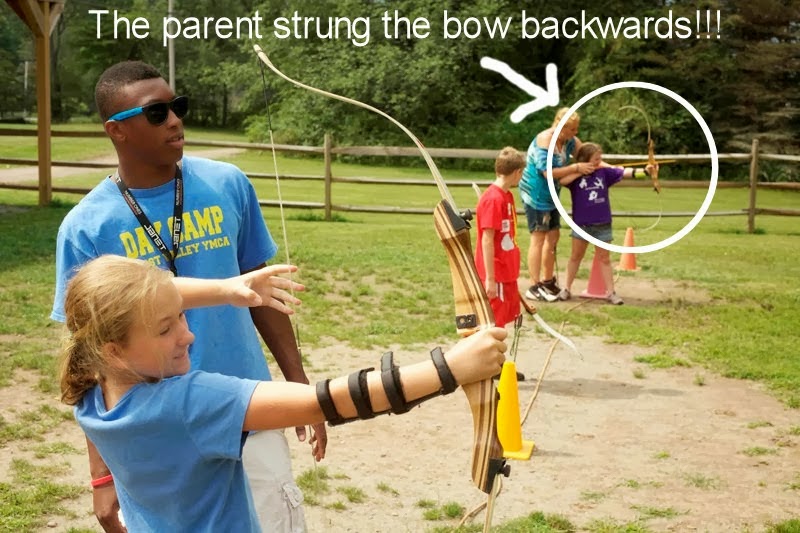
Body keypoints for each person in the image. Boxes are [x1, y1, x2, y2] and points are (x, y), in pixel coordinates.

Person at [51, 60, 325, 532]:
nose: (175, 120)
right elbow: (90, 358)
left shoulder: (227, 184)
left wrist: (299, 387)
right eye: (156, 113)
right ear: (116, 131)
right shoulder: (86, 227)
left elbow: (261, 294)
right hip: (153, 427)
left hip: (248, 409)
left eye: (177, 107)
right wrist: (101, 475)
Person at [60, 255, 508, 532]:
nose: (187, 336)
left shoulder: (92, 392)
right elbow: (325, 401)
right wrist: (451, 367)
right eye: (166, 328)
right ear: (114, 349)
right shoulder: (188, 402)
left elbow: (139, 301)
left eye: (182, 315)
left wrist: (226, 290)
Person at [556, 142, 658, 305]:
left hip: (602, 223)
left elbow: (625, 173)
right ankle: (566, 289)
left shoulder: (604, 173)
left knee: (604, 258)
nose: (599, 162)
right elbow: (562, 180)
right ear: (585, 160)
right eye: (596, 159)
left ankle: (611, 293)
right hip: (581, 224)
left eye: (600, 159)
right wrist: (580, 169)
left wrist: (646, 171)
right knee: (576, 256)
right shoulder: (576, 177)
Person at [520, 108, 594, 302]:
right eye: (573, 129)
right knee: (539, 237)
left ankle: (547, 280)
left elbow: (589, 156)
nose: (576, 133)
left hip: (552, 195)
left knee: (553, 236)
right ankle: (534, 285)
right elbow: (547, 171)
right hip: (535, 195)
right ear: (562, 128)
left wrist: (611, 168)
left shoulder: (570, 141)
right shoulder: (545, 140)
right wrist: (576, 168)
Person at [475, 147, 526, 328]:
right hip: (496, 273)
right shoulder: (493, 199)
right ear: (517, 172)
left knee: (503, 321)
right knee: (494, 327)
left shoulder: (507, 196)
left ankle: (498, 357)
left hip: (507, 270)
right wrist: (490, 279)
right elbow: (487, 239)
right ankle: (491, 357)